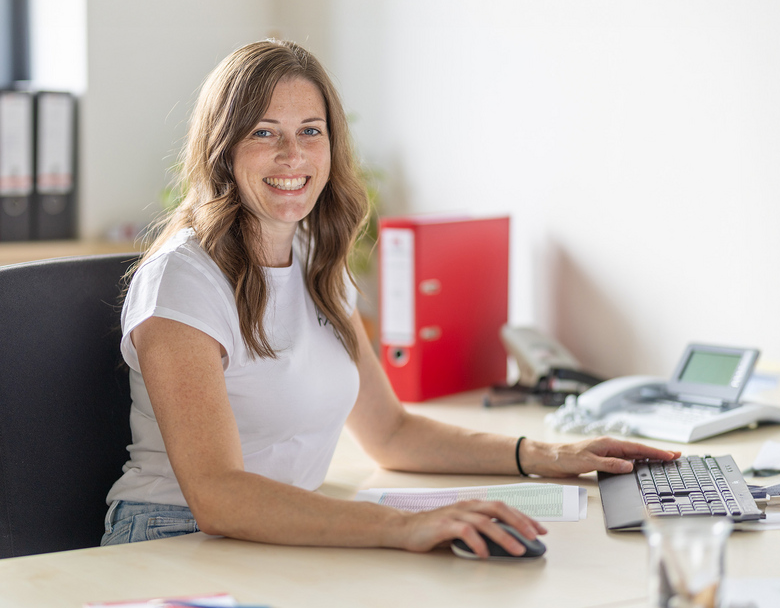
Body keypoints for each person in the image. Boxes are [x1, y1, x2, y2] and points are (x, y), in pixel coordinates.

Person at [102, 38, 678, 558]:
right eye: (263, 132)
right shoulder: (183, 280)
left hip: (276, 533)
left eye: (310, 130)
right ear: (221, 147)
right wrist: (400, 526)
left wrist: (548, 456)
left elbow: (391, 433)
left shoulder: (313, 257)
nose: (292, 156)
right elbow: (219, 495)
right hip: (174, 539)